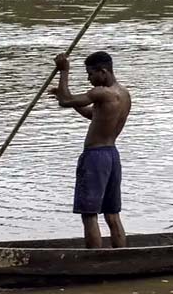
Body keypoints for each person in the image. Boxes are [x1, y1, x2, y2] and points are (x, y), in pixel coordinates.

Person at [49, 51, 131, 249]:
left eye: (90, 74)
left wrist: (63, 71)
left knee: (89, 214)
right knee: (112, 213)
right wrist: (63, 95)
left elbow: (66, 101)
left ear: (103, 71)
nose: (89, 78)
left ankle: (95, 260)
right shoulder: (124, 93)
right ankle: (123, 257)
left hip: (95, 157)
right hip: (112, 155)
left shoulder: (101, 92)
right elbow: (91, 114)